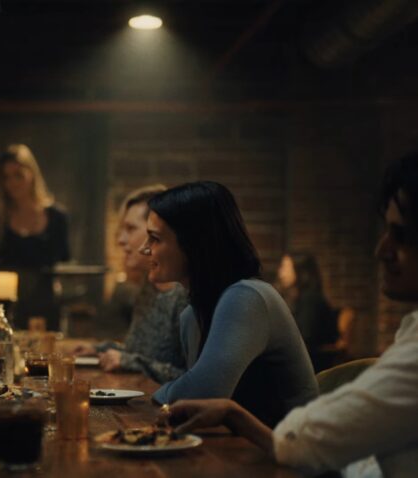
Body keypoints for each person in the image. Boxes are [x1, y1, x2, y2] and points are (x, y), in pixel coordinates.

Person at [168, 154, 418, 478]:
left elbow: (302, 440)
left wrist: (234, 413)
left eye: (401, 235)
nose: (381, 250)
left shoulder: (248, 297)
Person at [143, 181, 317, 427]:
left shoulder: (247, 298)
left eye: (155, 239)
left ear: (193, 244)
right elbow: (193, 408)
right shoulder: (192, 315)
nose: (144, 249)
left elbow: (200, 394)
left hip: (291, 458)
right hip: (242, 452)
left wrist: (154, 394)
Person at [75, 185, 188, 383]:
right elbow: (139, 352)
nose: (120, 240)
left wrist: (129, 362)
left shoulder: (185, 296)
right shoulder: (150, 286)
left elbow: (190, 379)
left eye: (131, 229)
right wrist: (98, 349)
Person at [0, 144, 70, 330]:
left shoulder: (57, 217)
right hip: (7, 312)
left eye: (18, 176)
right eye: (6, 178)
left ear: (32, 174)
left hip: (46, 308)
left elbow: (64, 260)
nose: (13, 183)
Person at [274, 252, 340, 370]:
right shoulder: (300, 297)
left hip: (313, 366)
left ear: (300, 271)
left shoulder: (310, 299)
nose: (281, 273)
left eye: (285, 267)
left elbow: (305, 339)